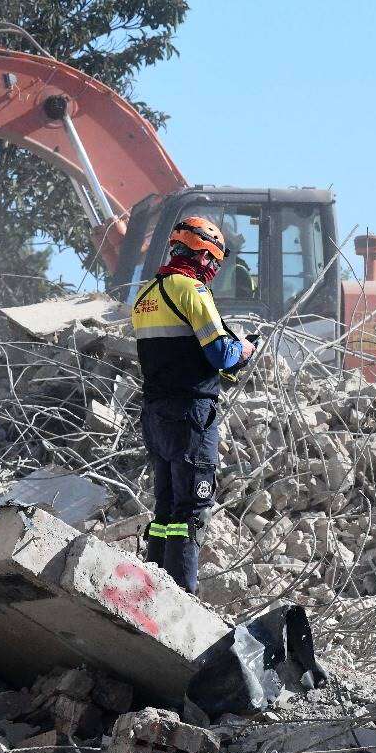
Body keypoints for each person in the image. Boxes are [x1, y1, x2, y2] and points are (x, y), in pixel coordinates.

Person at [130, 216, 256, 594]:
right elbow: (220, 353)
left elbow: (176, 356)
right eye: (213, 261)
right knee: (191, 513)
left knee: (166, 510)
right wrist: (244, 349)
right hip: (190, 417)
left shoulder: (145, 295)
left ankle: (151, 596)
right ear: (202, 255)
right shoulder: (192, 292)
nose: (214, 270)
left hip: (156, 415)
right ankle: (181, 603)